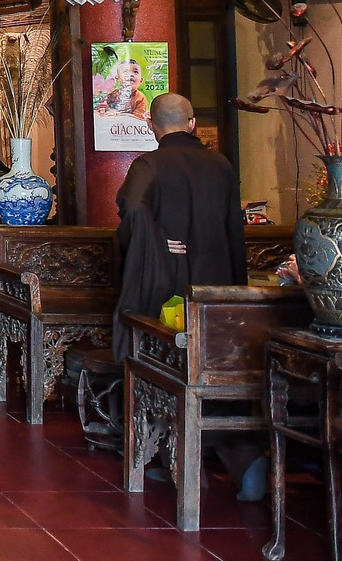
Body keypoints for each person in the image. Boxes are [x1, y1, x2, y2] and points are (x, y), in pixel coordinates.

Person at [114, 91, 267, 501]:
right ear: (193, 122)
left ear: (151, 126)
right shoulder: (221, 165)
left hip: (172, 294)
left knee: (171, 373)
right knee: (214, 372)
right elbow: (235, 230)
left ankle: (183, 464)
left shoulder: (150, 164)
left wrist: (159, 242)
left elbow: (130, 206)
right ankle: (243, 458)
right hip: (220, 294)